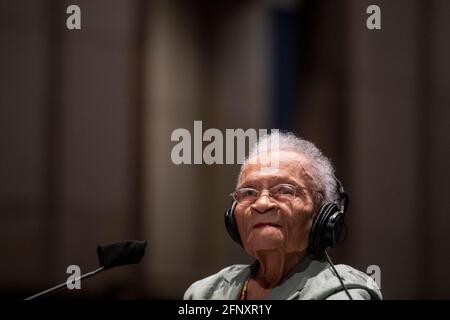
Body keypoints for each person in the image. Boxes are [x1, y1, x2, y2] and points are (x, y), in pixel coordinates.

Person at [184, 132, 382, 300]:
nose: (262, 204)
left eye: (285, 191)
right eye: (248, 193)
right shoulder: (204, 293)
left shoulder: (344, 290)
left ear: (323, 215)